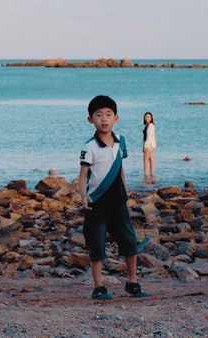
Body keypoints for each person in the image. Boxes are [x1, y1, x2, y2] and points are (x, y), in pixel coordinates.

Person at [77, 95, 148, 300]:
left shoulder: (120, 142)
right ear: (90, 120)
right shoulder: (88, 146)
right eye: (98, 115)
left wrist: (126, 192)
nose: (104, 119)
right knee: (96, 245)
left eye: (108, 114)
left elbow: (120, 170)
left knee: (129, 242)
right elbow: (82, 176)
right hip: (96, 203)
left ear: (116, 118)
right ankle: (98, 287)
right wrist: (83, 195)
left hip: (118, 202)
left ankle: (133, 282)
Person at [142, 112, 157, 179]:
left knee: (145, 160)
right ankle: (152, 174)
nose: (147, 118)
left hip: (148, 145)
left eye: (148, 117)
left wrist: (145, 146)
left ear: (151, 118)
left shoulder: (150, 125)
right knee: (151, 159)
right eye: (146, 117)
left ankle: (145, 175)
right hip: (150, 145)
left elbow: (149, 137)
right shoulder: (148, 125)